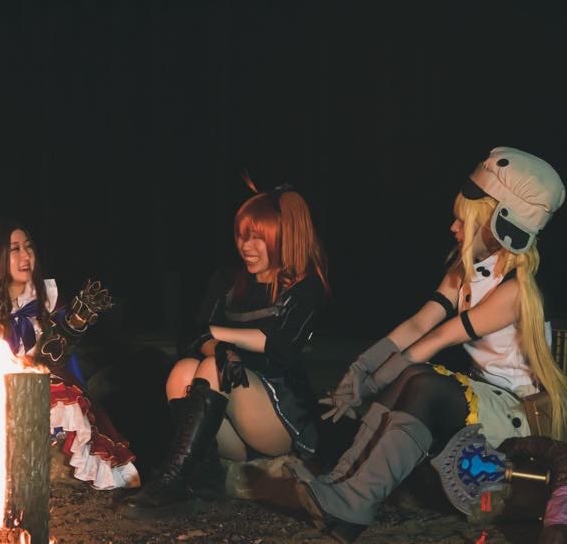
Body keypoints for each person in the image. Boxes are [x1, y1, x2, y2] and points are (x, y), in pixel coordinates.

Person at [289, 147, 567, 542]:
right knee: (413, 378)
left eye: (463, 220)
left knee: (422, 380)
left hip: (515, 413)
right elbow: (419, 323)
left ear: (497, 225)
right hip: (483, 399)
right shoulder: (465, 272)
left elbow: (438, 337)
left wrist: (370, 386)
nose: (453, 227)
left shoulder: (513, 293)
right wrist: (359, 369)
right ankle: (340, 486)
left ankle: (354, 502)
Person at [118, 182, 330, 518]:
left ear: (283, 238)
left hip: (279, 421)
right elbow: (191, 338)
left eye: (257, 238)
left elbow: (282, 345)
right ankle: (201, 482)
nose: (246, 246)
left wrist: (218, 335)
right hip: (232, 431)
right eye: (242, 236)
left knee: (211, 366)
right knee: (183, 370)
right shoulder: (228, 281)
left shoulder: (304, 287)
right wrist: (220, 348)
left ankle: (172, 480)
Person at [0, 217, 140, 490]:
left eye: (28, 247)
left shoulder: (48, 298)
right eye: (14, 250)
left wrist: (72, 327)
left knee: (61, 394)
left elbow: (55, 360)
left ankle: (62, 462)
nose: (26, 256)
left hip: (43, 388)